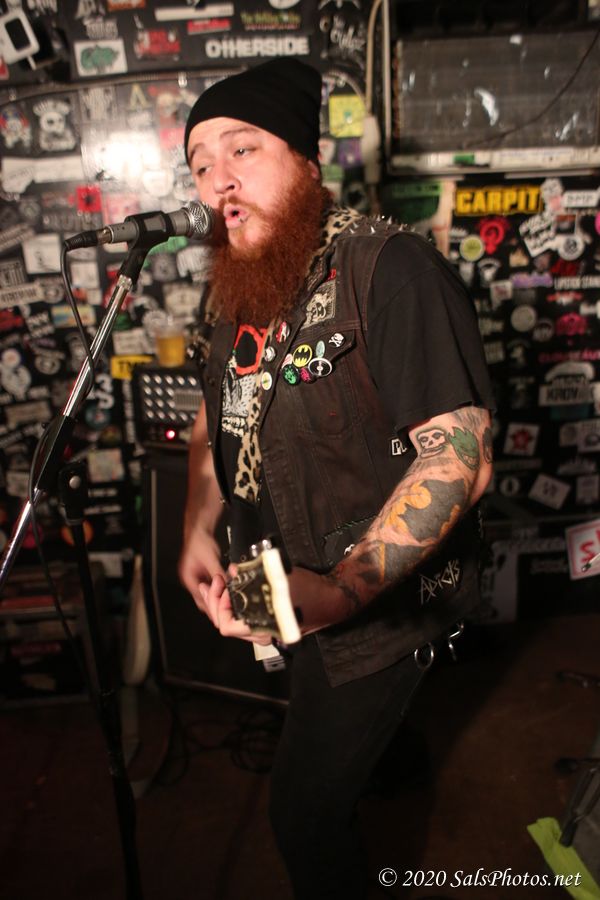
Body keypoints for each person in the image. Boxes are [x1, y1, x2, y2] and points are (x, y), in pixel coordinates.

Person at [178, 57, 495, 900]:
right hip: (273, 575)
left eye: (243, 148)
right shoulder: (235, 286)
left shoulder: (390, 268)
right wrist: (196, 526)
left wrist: (343, 590)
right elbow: (216, 418)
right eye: (200, 164)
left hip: (374, 604)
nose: (218, 180)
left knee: (303, 814)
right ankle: (388, 763)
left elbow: (459, 457)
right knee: (335, 728)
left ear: (309, 161)